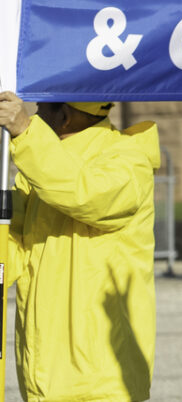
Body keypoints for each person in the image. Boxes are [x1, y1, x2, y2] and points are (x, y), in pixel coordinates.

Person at [0, 94, 160, 402]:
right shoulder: (39, 167)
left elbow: (85, 195)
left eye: (40, 108)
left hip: (100, 379)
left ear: (65, 115)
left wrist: (25, 133)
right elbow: (12, 251)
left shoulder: (127, 159)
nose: (34, 116)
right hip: (42, 375)